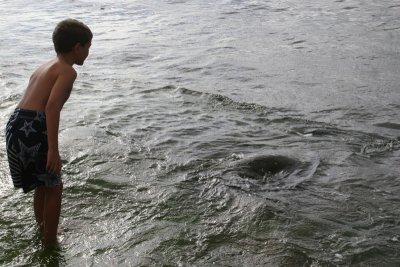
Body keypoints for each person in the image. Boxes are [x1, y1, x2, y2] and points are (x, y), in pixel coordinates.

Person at [5, 19, 92, 245]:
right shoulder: (67, 72)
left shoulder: (45, 66)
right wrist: (53, 150)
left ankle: (43, 228)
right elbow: (51, 107)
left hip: (16, 123)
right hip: (34, 126)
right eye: (88, 47)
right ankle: (51, 241)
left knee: (43, 182)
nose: (88, 52)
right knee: (54, 185)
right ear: (77, 47)